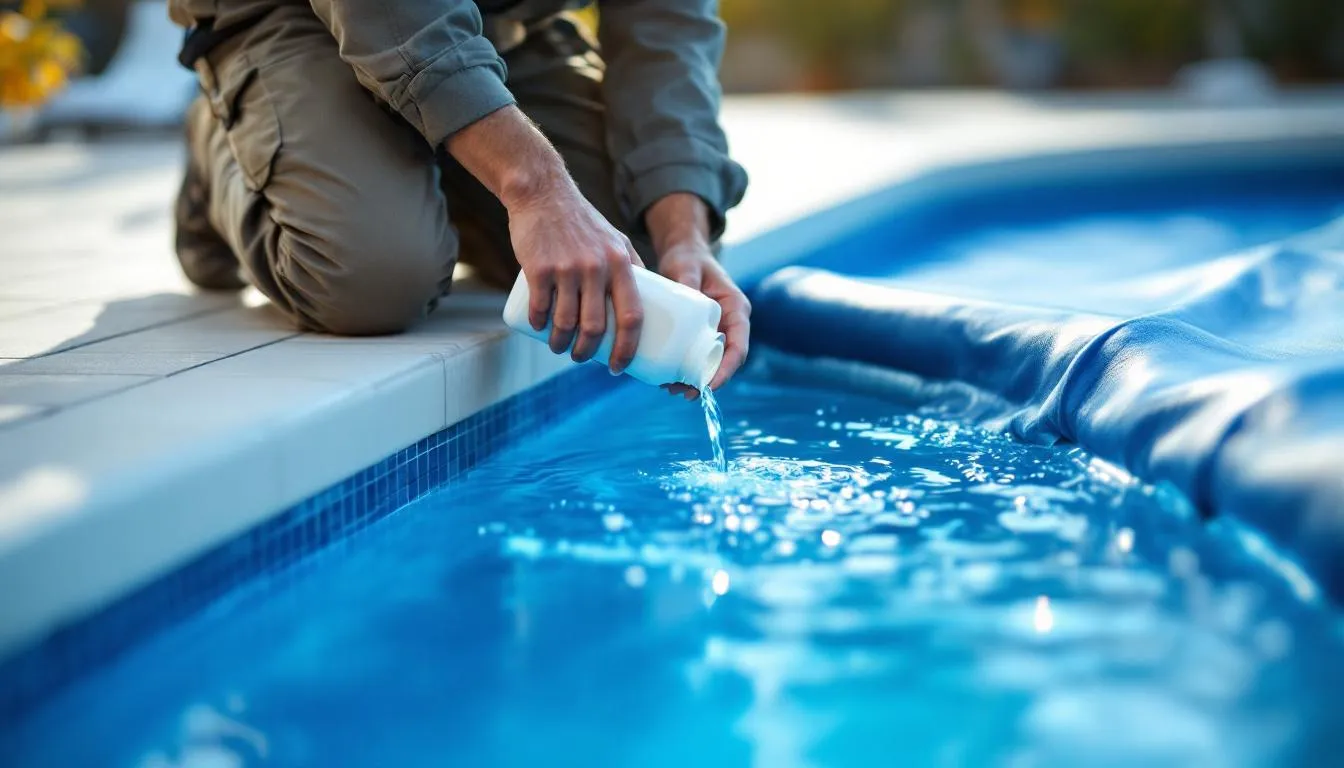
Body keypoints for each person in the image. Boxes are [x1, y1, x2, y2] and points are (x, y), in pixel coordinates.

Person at [169, 0, 751, 398]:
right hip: (300, 16)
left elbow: (668, 27)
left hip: (495, 26)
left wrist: (686, 237)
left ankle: (418, 160)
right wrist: (536, 187)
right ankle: (224, 141)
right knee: (371, 275)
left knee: (639, 255)